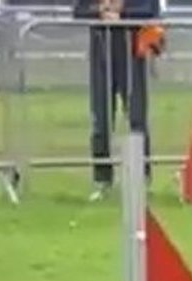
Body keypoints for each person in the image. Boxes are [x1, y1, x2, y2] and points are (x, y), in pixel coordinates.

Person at [73, 0, 159, 201]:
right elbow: (79, 10)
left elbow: (150, 10)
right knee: (100, 120)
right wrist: (99, 11)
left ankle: (141, 179)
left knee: (137, 119)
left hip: (131, 57)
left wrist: (123, 14)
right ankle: (102, 180)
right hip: (101, 58)